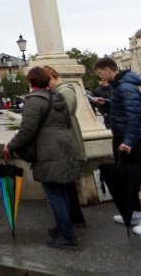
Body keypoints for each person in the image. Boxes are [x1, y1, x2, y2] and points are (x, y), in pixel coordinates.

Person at [5, 67, 80, 249]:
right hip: (65, 145)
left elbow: (27, 130)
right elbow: (67, 122)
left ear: (31, 82)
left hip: (48, 150)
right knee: (62, 191)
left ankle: (68, 236)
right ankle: (63, 227)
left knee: (54, 193)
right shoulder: (58, 96)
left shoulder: (33, 100)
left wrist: (10, 146)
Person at [92, 58, 141, 235]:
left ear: (108, 70)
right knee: (130, 177)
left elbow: (134, 117)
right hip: (124, 136)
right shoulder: (120, 86)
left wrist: (128, 142)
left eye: (101, 73)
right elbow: (126, 109)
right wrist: (107, 103)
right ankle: (136, 213)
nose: (101, 77)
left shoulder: (125, 87)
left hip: (130, 140)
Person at [43, 66, 86, 228]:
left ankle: (74, 218)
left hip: (67, 140)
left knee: (67, 183)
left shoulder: (65, 90)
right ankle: (74, 217)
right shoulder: (60, 90)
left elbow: (61, 115)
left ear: (50, 77)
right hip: (64, 139)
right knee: (67, 183)